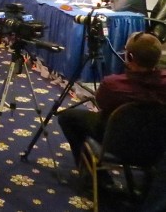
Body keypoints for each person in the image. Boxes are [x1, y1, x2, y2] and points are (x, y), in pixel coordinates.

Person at [58, 32, 166, 169]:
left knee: (67, 117)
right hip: (157, 147)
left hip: (117, 144)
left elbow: (101, 105)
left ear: (130, 57)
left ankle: (93, 176)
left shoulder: (112, 85)